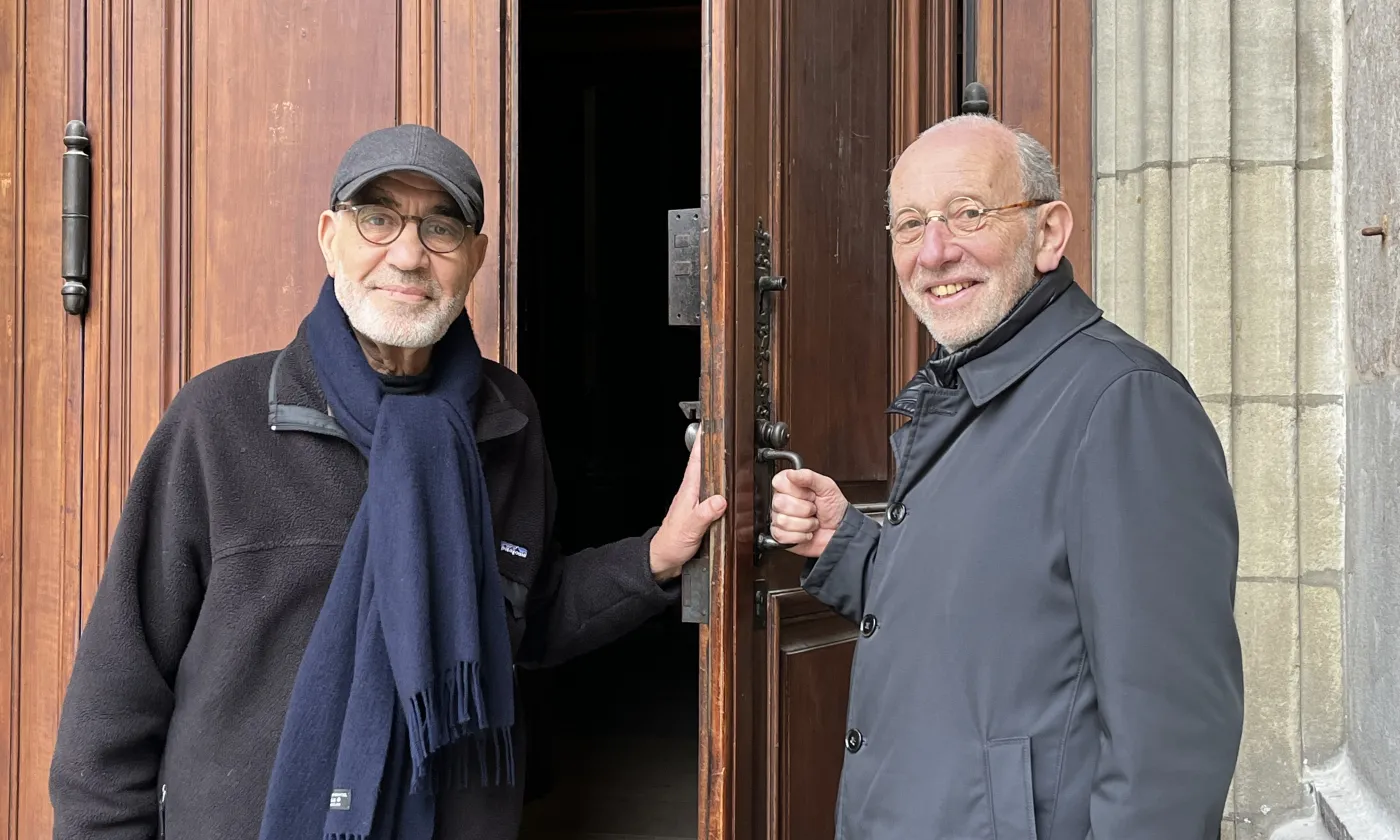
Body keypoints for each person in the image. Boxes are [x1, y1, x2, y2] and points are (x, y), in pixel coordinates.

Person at [48, 124, 727, 840]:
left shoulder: (506, 421)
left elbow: (523, 620)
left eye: (441, 227)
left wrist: (659, 555)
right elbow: (118, 685)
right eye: (378, 219)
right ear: (329, 237)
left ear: (476, 258)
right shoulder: (221, 419)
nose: (408, 254)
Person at [770, 115, 1244, 839]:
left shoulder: (1122, 403)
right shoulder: (971, 386)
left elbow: (1171, 743)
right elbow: (990, 619)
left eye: (968, 213)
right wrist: (847, 543)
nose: (934, 251)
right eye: (908, 224)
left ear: (1049, 234)